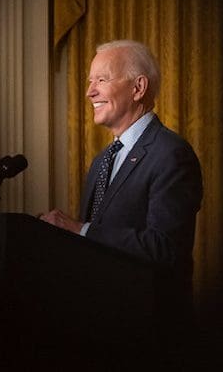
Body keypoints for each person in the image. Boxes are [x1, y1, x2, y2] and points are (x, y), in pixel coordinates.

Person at [40, 39, 203, 288]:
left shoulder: (171, 154)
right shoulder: (101, 161)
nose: (89, 92)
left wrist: (79, 229)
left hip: (147, 319)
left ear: (138, 88)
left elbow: (165, 248)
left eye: (101, 80)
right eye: (90, 81)